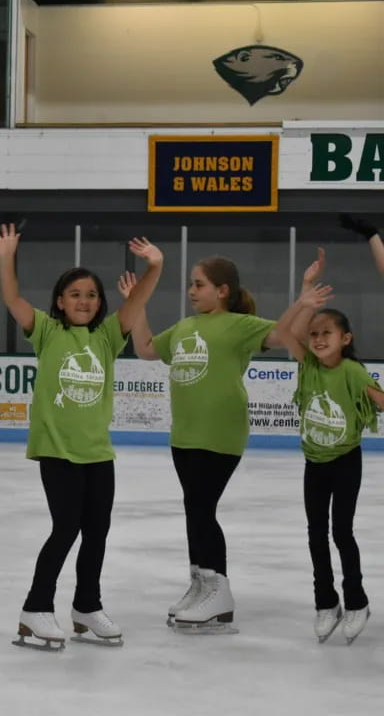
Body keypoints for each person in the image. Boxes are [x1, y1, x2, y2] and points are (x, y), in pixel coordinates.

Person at [0, 223, 164, 649]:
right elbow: (12, 299)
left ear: (100, 302)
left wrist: (155, 266)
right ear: (60, 302)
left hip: (97, 452)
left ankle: (87, 606)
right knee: (65, 528)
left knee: (97, 531)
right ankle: (35, 608)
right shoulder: (48, 332)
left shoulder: (107, 336)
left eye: (91, 295)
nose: (84, 301)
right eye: (74, 294)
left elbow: (138, 301)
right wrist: (6, 257)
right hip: (57, 451)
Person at [130, 254, 303, 632]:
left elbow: (281, 335)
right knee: (194, 509)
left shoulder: (239, 325)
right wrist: (137, 303)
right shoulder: (184, 326)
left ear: (223, 291)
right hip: (185, 433)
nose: (191, 291)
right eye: (191, 284)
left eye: (199, 284)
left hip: (221, 432)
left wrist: (302, 302)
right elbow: (144, 348)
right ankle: (201, 584)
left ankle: (219, 593)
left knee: (202, 508)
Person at [275, 261, 384, 645]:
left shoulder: (353, 372)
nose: (319, 338)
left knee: (342, 532)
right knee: (315, 534)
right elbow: (284, 331)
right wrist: (305, 291)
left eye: (327, 333)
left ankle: (356, 601)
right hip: (314, 463)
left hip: (345, 461)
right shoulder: (306, 364)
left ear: (346, 338)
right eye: (315, 333)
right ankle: (326, 602)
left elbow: (380, 402)